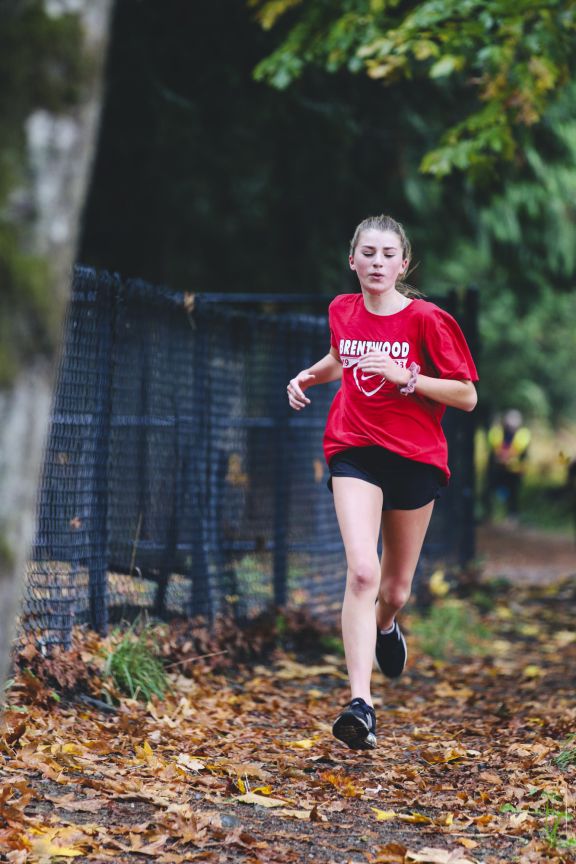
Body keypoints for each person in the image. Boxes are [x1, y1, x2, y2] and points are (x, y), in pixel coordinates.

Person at [286, 214, 478, 751]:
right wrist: (306, 375)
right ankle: (360, 705)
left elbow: (466, 395)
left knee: (393, 590)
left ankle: (388, 625)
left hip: (416, 459)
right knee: (363, 572)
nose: (376, 262)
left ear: (403, 264)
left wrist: (410, 378)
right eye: (366, 253)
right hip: (354, 450)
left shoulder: (427, 320)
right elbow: (340, 360)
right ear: (352, 260)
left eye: (387, 254)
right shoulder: (341, 310)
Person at [485, 410, 531, 522]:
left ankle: (512, 516)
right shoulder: (497, 432)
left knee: (513, 494)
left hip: (514, 471)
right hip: (499, 469)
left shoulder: (523, 435)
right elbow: (493, 451)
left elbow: (523, 455)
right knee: (492, 490)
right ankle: (490, 514)